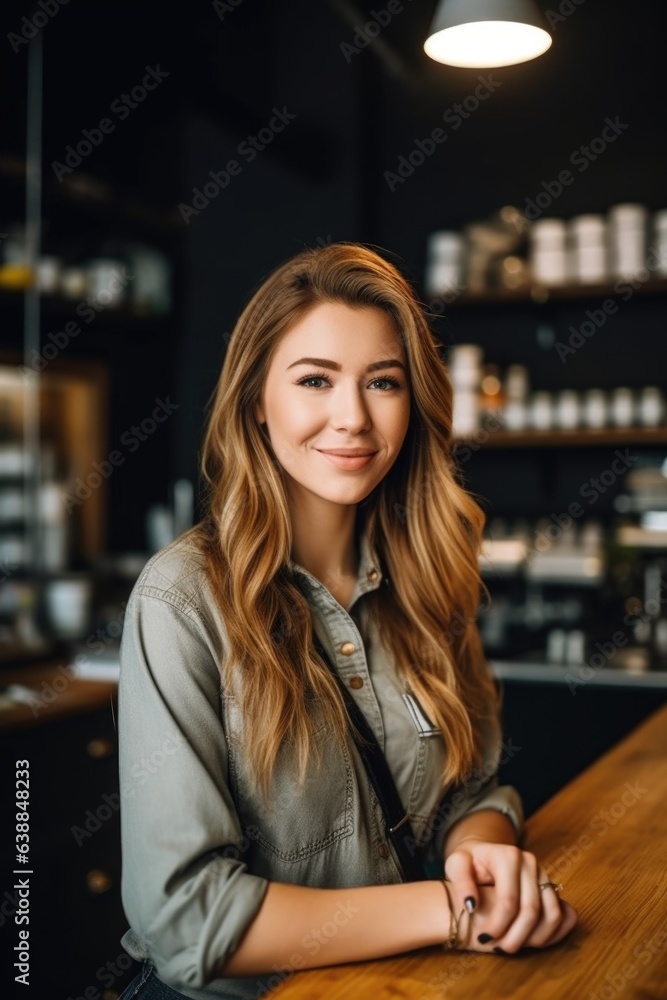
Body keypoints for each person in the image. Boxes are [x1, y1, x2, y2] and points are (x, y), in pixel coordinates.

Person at [117, 243, 577, 1000]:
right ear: (256, 401)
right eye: (314, 380)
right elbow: (187, 922)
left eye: (382, 382)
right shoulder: (181, 600)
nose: (353, 418)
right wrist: (451, 909)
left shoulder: (432, 573)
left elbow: (473, 790)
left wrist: (481, 851)